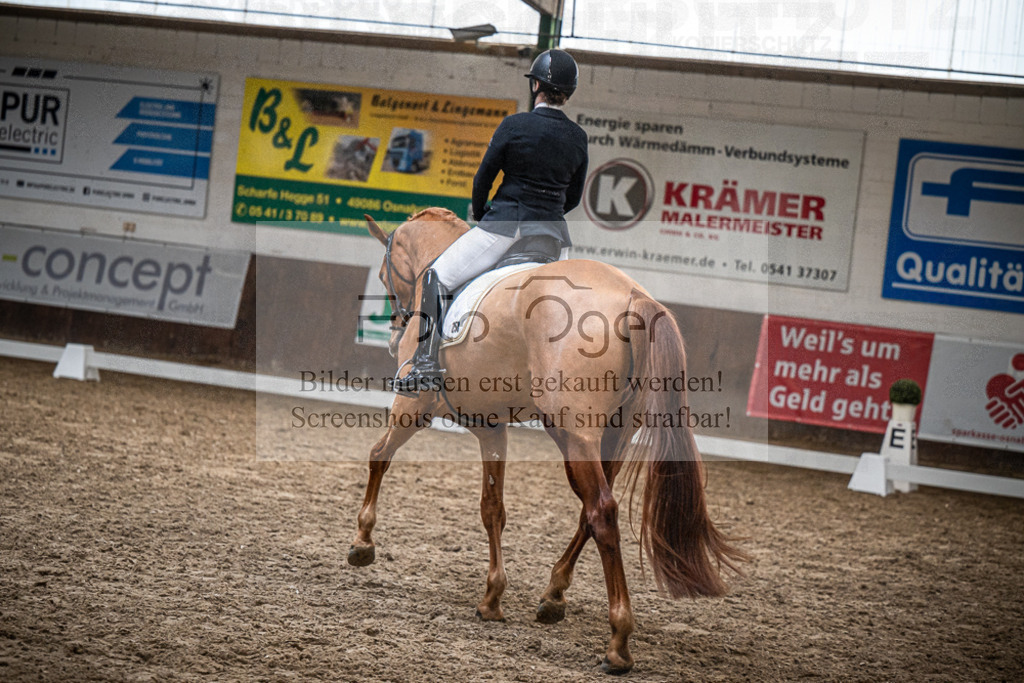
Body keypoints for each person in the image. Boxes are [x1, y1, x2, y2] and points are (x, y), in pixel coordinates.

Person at [393, 48, 589, 394]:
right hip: (553, 239)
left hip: (506, 226)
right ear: (568, 93)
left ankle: (424, 364)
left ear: (535, 86)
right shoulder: (578, 137)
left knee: (437, 276)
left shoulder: (514, 125)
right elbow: (573, 197)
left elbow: (483, 177)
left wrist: (483, 215)